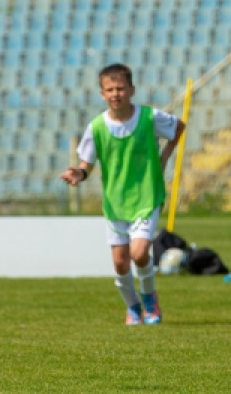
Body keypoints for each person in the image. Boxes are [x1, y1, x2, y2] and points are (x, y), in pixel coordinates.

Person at [61, 63, 185, 326]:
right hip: (116, 202)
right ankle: (132, 307)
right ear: (102, 93)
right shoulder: (96, 127)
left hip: (147, 197)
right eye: (110, 89)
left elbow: (179, 128)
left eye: (120, 88)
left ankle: (150, 299)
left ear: (131, 90)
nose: (115, 93)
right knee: (120, 263)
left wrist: (162, 161)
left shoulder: (150, 118)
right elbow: (86, 164)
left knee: (139, 253)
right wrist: (78, 175)